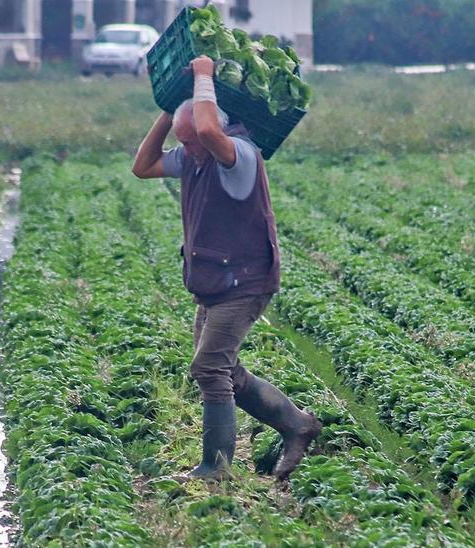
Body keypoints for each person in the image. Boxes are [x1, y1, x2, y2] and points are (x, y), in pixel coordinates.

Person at [131, 55, 321, 482]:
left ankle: (215, 469)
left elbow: (208, 130)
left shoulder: (239, 155)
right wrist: (167, 110)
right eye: (186, 141)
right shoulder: (194, 156)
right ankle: (298, 425)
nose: (188, 149)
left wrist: (202, 77)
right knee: (224, 370)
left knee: (209, 368)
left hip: (245, 281)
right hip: (216, 281)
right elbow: (142, 167)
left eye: (193, 139)